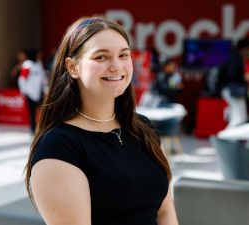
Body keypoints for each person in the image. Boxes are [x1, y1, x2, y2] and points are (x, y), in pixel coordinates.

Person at [24, 16, 178, 225]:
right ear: (72, 67)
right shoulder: (59, 148)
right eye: (101, 57)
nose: (116, 66)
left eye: (123, 55)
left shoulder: (143, 128)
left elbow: (165, 213)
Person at [219, 38, 249, 128]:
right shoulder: (235, 58)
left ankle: (231, 136)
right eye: (248, 50)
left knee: (239, 116)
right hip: (233, 90)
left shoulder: (233, 56)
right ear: (244, 49)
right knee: (239, 117)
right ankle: (227, 137)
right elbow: (232, 75)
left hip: (231, 89)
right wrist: (244, 81)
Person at [18, 49, 47, 133]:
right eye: (38, 54)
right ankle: (33, 130)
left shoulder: (39, 64)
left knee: (42, 111)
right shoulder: (27, 65)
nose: (39, 56)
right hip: (30, 93)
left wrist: (45, 89)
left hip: (39, 92)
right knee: (32, 113)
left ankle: (42, 127)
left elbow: (43, 78)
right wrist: (24, 92)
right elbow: (22, 79)